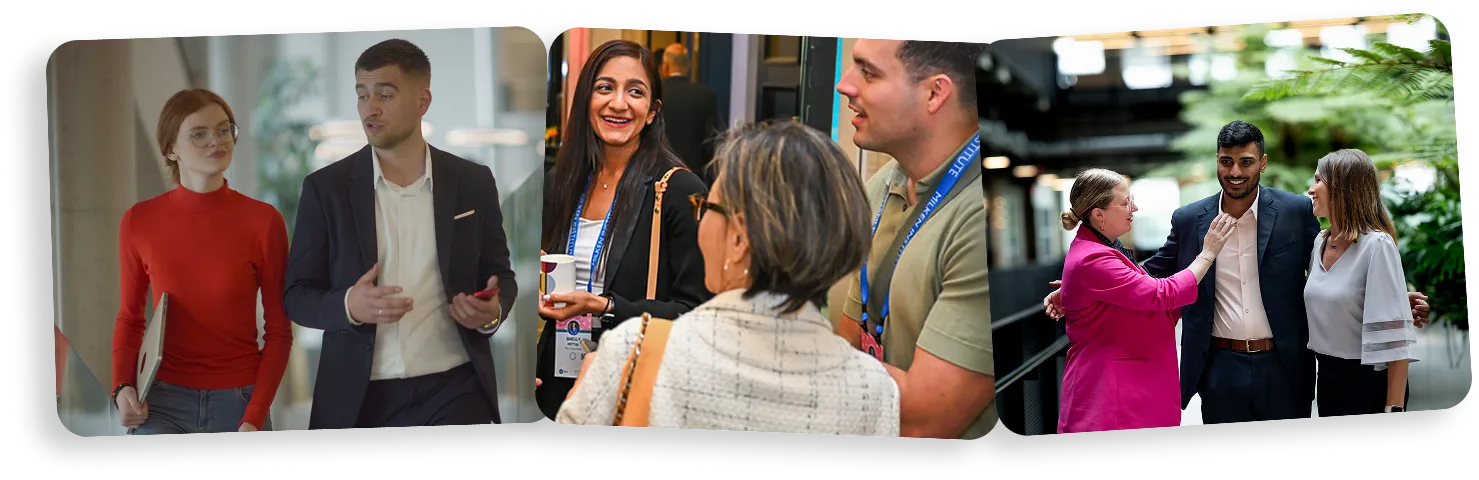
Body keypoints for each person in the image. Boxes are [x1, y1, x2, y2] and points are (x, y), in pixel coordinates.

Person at [1043, 120, 1430, 426]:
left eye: (1246, 162)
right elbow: (1152, 273)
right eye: (1226, 161)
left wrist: (1396, 298)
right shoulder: (1190, 218)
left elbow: (1340, 262)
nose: (1235, 172)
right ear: (1217, 161)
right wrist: (1083, 287)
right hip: (1219, 366)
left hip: (1285, 364)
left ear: (1261, 163)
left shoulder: (1297, 212)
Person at [556, 120, 899, 436]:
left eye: (705, 208)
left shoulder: (635, 353)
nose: (700, 222)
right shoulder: (875, 390)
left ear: (738, 241)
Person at [283, 39, 517, 429]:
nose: (369, 109)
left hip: (456, 387)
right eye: (362, 95)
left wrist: (491, 312)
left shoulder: (472, 181)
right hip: (360, 396)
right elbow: (296, 295)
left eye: (384, 95)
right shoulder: (326, 189)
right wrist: (348, 306)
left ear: (422, 101)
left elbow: (500, 274)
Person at [829, 38, 995, 440]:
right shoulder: (881, 187)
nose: (844, 85)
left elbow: (926, 419)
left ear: (935, 93)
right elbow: (851, 338)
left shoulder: (975, 219)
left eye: (868, 72)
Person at [535, 39, 710, 420]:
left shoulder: (679, 191)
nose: (619, 103)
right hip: (556, 382)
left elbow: (698, 313)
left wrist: (606, 306)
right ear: (585, 100)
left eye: (635, 91)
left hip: (632, 385)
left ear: (652, 112)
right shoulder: (560, 182)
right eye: (605, 88)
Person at [111, 88, 293, 434]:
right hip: (160, 402)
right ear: (170, 149)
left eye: (224, 129)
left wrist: (254, 416)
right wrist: (122, 387)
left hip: (239, 403)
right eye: (199, 133)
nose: (216, 140)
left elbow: (280, 331)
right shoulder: (139, 221)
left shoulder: (263, 221)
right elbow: (130, 318)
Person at [1056, 168, 1236, 434]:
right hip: (1111, 395)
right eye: (1126, 202)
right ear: (1098, 214)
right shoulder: (1092, 258)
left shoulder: (1100, 250)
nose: (1135, 207)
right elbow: (1160, 294)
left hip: (1124, 388)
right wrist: (1207, 254)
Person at [1303, 149, 1418, 417]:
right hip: (1329, 381)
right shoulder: (1319, 242)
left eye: (1319, 180)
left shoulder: (1377, 245)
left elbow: (1397, 342)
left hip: (1368, 385)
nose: (1311, 189)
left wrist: (1394, 407)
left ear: (1343, 188)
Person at [657, 42, 725, 186]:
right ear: (689, 66)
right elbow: (711, 140)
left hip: (657, 171)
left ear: (665, 66)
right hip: (694, 176)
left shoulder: (655, 94)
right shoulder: (705, 95)